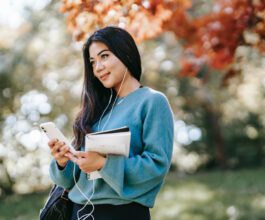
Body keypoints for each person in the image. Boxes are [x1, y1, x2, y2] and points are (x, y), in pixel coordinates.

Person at [48, 26, 174, 220]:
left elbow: (157, 165)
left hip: (121, 213)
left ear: (125, 52)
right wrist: (63, 162)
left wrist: (104, 164)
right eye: (92, 62)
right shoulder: (96, 109)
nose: (97, 68)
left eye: (104, 56)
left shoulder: (152, 101)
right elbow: (69, 181)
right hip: (78, 212)